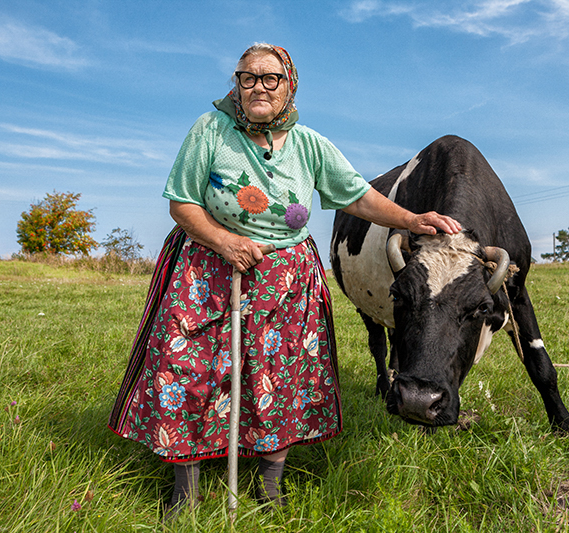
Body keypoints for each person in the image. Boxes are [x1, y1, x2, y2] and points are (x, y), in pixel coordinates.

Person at [108, 42, 461, 519]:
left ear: (289, 85)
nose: (258, 86)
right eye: (247, 77)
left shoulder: (308, 144)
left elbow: (358, 196)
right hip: (207, 269)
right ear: (236, 85)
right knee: (187, 369)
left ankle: (269, 486)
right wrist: (224, 240)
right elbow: (182, 202)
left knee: (280, 376)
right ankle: (185, 492)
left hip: (286, 278)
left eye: (270, 78)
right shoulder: (210, 130)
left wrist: (412, 219)